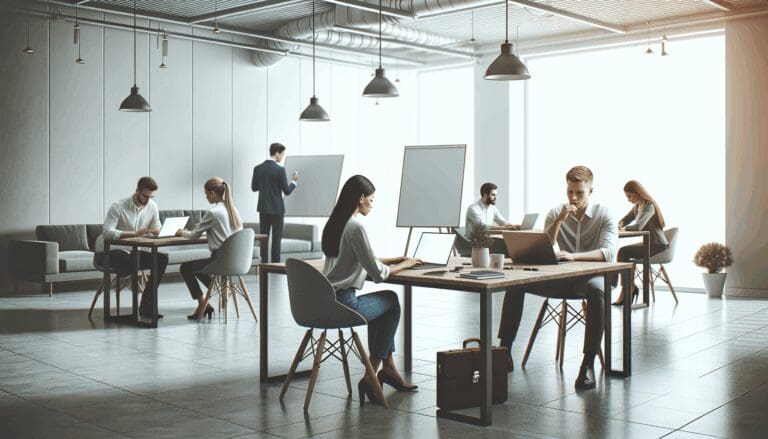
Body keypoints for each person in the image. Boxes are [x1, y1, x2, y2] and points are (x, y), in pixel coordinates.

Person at [497, 166, 617, 390]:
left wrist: (573, 256)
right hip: (563, 278)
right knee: (516, 283)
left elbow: (608, 253)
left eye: (579, 192)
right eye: (570, 191)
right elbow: (548, 245)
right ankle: (504, 352)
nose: (573, 197)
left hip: (592, 277)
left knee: (596, 290)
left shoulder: (604, 214)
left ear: (591, 191)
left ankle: (587, 364)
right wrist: (560, 220)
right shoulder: (556, 212)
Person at [322, 175, 421, 404]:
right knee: (391, 301)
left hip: (326, 301)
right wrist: (405, 264)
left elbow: (361, 258)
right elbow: (377, 274)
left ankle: (389, 369)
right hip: (345, 304)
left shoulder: (336, 223)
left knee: (382, 306)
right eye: (372, 199)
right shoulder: (356, 227)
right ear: (360, 198)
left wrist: (395, 258)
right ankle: (372, 374)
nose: (372, 204)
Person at [101, 176, 168, 319]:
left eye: (151, 196)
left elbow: (157, 228)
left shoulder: (152, 206)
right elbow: (107, 233)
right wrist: (133, 233)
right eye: (145, 195)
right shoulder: (118, 206)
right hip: (115, 252)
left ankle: (146, 306)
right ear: (137, 190)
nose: (148, 200)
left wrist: (157, 232)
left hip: (136, 252)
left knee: (162, 259)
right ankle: (125, 305)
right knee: (132, 258)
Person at [177, 177, 243, 320]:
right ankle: (218, 291)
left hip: (220, 260)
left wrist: (182, 232)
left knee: (186, 268)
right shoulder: (234, 210)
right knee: (198, 268)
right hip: (237, 261)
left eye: (206, 193)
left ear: (213, 193)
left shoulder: (213, 212)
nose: (206, 197)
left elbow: (194, 236)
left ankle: (203, 304)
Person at [612, 180, 669, 305]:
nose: (628, 199)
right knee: (624, 253)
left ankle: (627, 289)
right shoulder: (637, 206)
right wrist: (619, 225)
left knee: (623, 252)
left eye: (629, 196)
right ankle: (629, 288)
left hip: (658, 246)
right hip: (649, 245)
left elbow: (638, 227)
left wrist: (623, 228)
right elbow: (623, 221)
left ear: (638, 193)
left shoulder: (649, 206)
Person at [251, 142, 298, 263]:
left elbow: (254, 187)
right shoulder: (280, 170)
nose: (282, 157)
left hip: (263, 208)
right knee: (276, 240)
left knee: (264, 239)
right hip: (277, 209)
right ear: (277, 153)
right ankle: (276, 265)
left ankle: (264, 265)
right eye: (282, 154)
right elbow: (287, 191)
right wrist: (294, 182)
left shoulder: (258, 168)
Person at [465, 182, 521, 254]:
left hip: (487, 240)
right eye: (493, 195)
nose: (495, 198)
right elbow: (482, 226)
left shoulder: (492, 208)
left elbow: (502, 221)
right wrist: (504, 228)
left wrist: (514, 226)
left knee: (509, 243)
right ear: (485, 195)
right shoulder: (473, 208)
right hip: (474, 241)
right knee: (505, 245)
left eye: (495, 195)